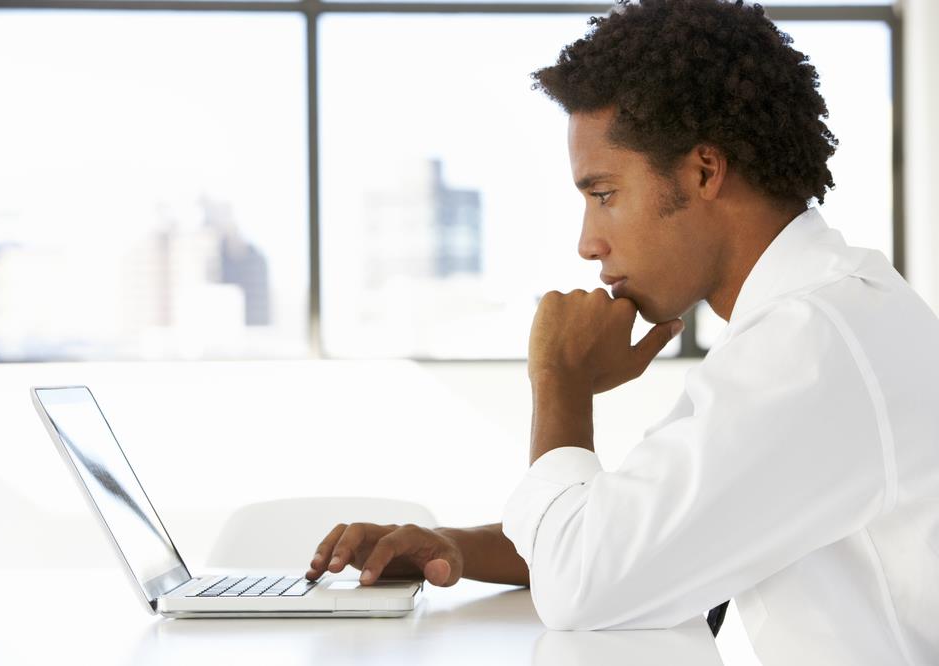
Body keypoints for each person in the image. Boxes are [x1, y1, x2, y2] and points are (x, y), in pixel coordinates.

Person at [305, 1, 939, 663]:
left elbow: (586, 583)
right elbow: (641, 531)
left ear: (703, 171)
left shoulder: (811, 344)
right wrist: (460, 548)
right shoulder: (812, 318)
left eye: (603, 194)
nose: (587, 243)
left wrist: (559, 381)